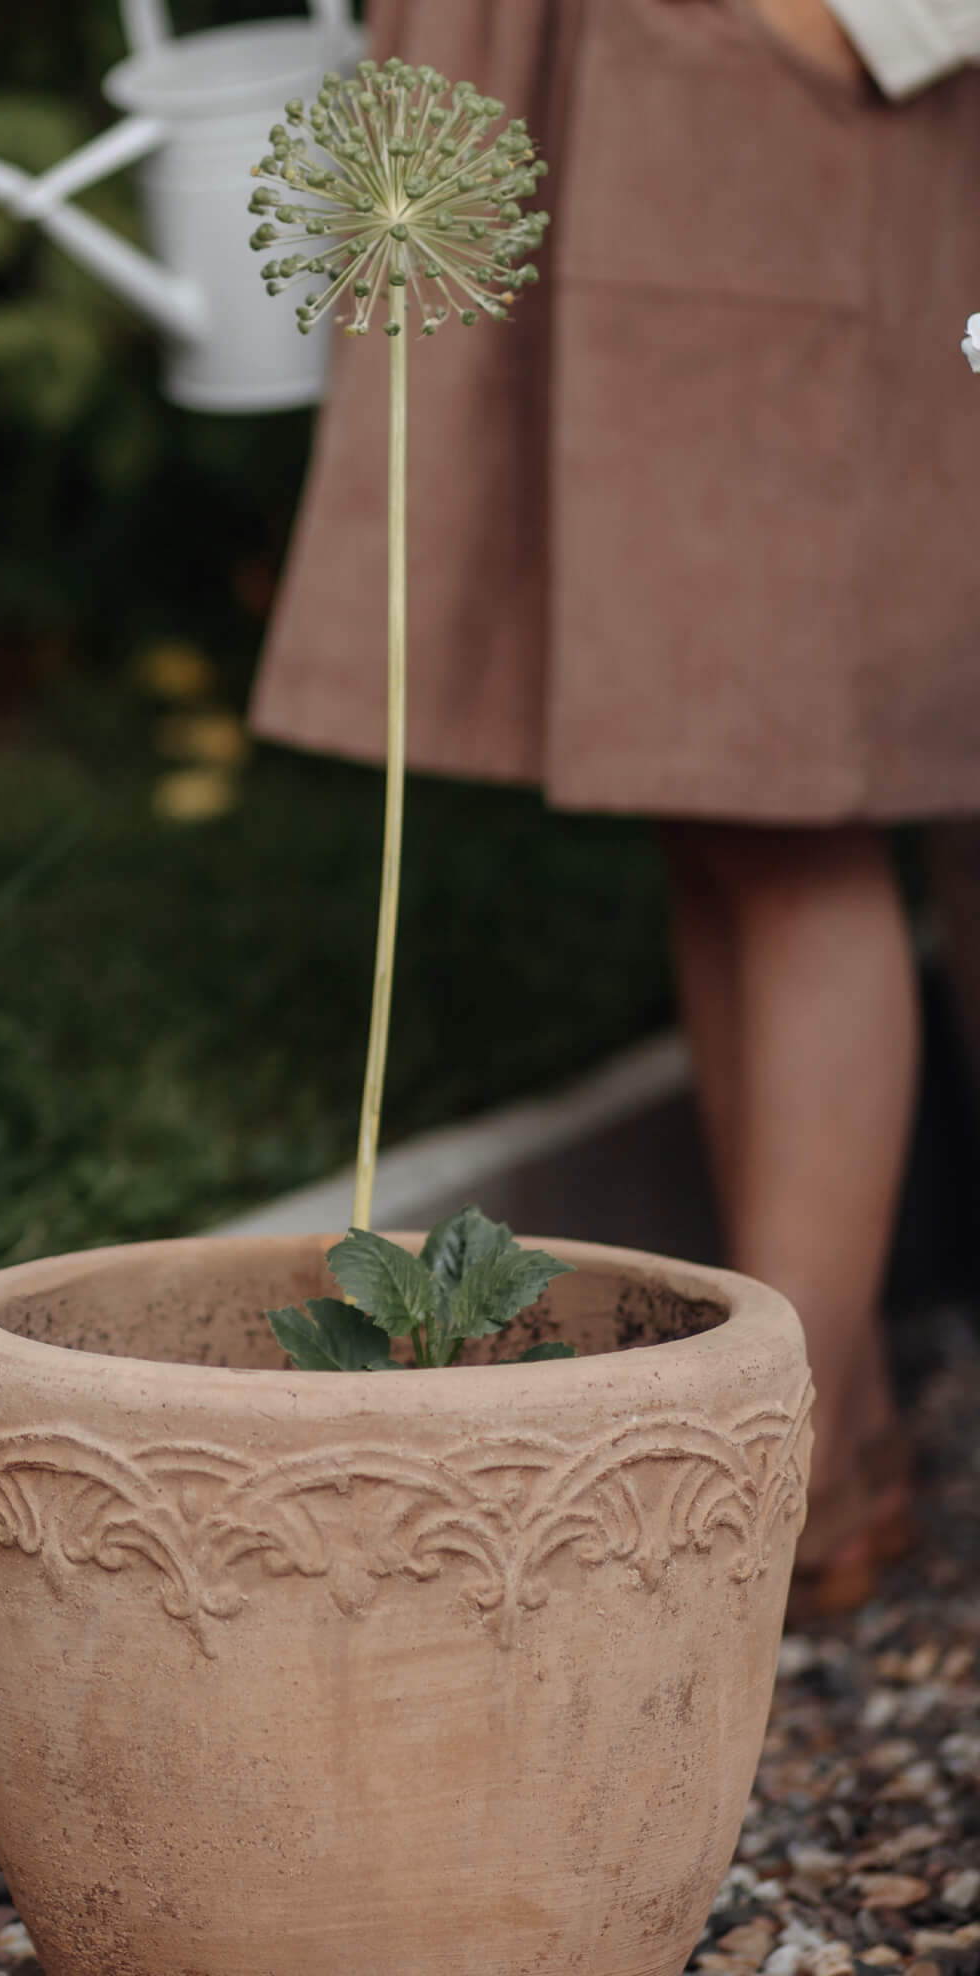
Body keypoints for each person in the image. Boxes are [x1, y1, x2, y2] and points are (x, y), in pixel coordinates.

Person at [252, 0, 980, 1617]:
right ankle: (821, 1440)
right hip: (604, 60)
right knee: (713, 787)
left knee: (785, 785)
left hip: (759, 76)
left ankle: (757, 1481)